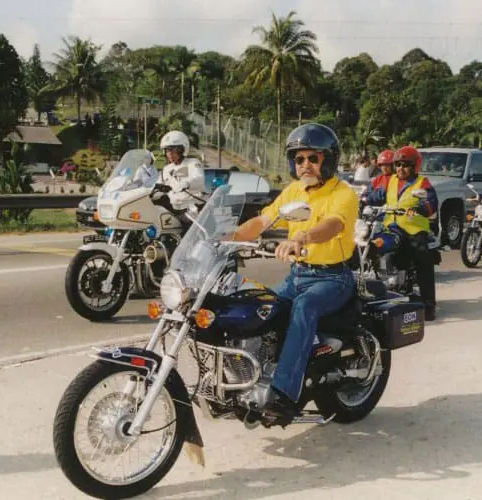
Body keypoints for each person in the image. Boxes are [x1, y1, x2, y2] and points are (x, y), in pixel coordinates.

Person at [231, 123, 358, 422]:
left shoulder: (343, 194)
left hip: (333, 278)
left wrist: (301, 237)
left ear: (328, 160)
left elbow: (333, 225)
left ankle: (285, 394)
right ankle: (251, 378)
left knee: (305, 306)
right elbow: (263, 221)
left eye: (313, 158)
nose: (305, 165)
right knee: (259, 306)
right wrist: (229, 236)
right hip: (298, 276)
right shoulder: (293, 192)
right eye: (299, 159)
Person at [365, 145, 439, 320]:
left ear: (415, 166)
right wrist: (364, 200)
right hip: (390, 227)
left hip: (413, 230)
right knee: (367, 246)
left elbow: (431, 202)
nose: (400, 169)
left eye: (405, 165)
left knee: (423, 256)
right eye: (398, 165)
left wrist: (421, 207)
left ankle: (429, 304)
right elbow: (377, 195)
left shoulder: (422, 183)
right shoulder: (390, 181)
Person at [158, 130, 206, 212]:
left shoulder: (193, 163)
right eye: (167, 150)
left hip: (192, 208)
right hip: (173, 209)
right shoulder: (166, 169)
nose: (169, 154)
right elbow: (157, 185)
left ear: (182, 150)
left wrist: (186, 183)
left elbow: (199, 178)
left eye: (172, 150)